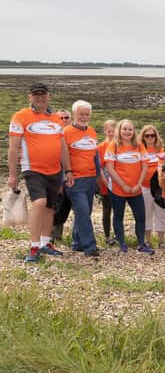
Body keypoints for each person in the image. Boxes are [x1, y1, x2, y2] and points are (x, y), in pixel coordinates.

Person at [8, 83, 71, 262]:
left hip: (55, 170)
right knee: (39, 203)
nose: (40, 98)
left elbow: (63, 147)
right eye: (36, 95)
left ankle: (45, 243)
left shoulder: (57, 119)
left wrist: (68, 170)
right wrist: (12, 175)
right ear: (30, 97)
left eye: (43, 95)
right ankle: (34, 246)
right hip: (32, 168)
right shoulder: (21, 116)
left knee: (50, 206)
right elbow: (13, 148)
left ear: (48, 96)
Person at [104, 119, 154, 254]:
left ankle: (141, 244)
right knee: (118, 216)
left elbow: (144, 166)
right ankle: (122, 243)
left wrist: (139, 184)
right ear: (119, 131)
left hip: (136, 189)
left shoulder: (139, 146)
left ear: (133, 131)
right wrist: (123, 185)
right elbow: (110, 168)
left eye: (130, 129)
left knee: (140, 216)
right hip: (118, 189)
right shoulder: (113, 146)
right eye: (124, 129)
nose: (127, 132)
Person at [63, 100, 100, 257]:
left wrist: (98, 177)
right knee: (83, 211)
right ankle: (89, 246)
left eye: (86, 114)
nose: (84, 117)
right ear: (74, 115)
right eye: (81, 114)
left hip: (91, 178)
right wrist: (67, 173)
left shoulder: (92, 131)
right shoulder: (66, 132)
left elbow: (95, 156)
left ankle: (77, 242)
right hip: (75, 179)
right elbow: (61, 156)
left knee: (85, 212)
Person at [138, 125, 165, 249]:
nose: (150, 137)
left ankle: (161, 241)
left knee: (161, 213)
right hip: (144, 186)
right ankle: (148, 240)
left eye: (152, 135)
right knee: (147, 214)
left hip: (159, 187)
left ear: (156, 136)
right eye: (147, 135)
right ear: (143, 137)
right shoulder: (139, 150)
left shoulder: (161, 150)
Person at [51, 109, 72, 241]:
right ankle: (53, 235)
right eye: (61, 118)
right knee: (55, 206)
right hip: (56, 177)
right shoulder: (52, 136)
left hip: (73, 177)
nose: (64, 120)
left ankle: (77, 237)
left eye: (66, 118)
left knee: (68, 206)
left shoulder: (75, 134)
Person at [97, 120, 117, 245]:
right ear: (105, 131)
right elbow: (98, 166)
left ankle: (117, 234)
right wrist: (103, 180)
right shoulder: (100, 147)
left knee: (118, 210)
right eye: (109, 131)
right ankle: (107, 235)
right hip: (105, 183)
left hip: (118, 183)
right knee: (107, 209)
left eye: (113, 131)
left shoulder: (119, 145)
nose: (111, 133)